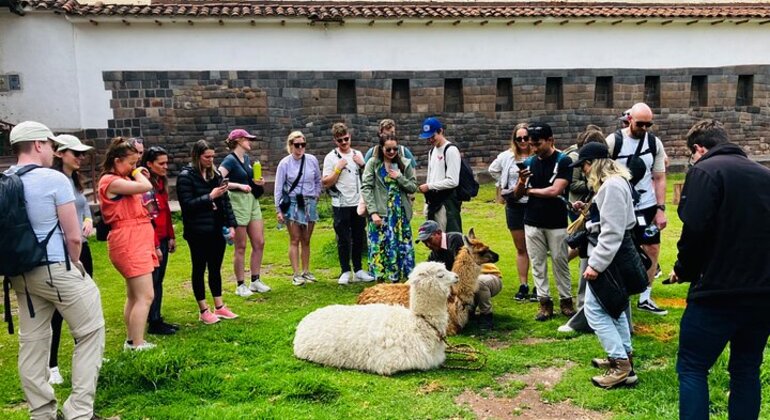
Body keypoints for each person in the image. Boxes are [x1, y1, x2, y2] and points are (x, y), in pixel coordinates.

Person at [669, 120, 770, 419]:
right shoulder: (766, 175)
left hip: (716, 292)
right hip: (763, 293)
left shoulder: (705, 171)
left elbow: (694, 232)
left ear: (699, 149)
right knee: (746, 368)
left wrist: (683, 270)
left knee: (692, 366)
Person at [5, 121, 105, 419]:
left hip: (20, 272)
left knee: (32, 343)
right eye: (49, 144)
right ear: (37, 145)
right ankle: (78, 411)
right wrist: (75, 265)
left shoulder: (5, 178)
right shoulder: (53, 179)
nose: (52, 150)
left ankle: (41, 413)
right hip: (55, 268)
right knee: (91, 332)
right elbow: (73, 236)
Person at [570, 142, 639, 388]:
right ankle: (624, 358)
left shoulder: (611, 186)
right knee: (614, 306)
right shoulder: (614, 184)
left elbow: (612, 232)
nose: (585, 171)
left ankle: (620, 365)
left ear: (595, 163)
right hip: (612, 255)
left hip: (609, 257)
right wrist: (589, 212)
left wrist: (596, 265)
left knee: (594, 311)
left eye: (586, 165)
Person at [605, 102, 668, 315]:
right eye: (640, 124)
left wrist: (660, 208)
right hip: (621, 206)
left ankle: (645, 296)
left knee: (652, 248)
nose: (644, 128)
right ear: (629, 119)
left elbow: (659, 177)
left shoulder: (654, 143)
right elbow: (601, 172)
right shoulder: (614, 141)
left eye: (648, 124)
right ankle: (619, 293)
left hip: (647, 205)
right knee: (618, 249)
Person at [98, 137, 158, 350]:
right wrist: (137, 173)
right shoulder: (111, 181)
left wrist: (133, 173)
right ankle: (137, 343)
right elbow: (146, 186)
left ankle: (132, 339)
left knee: (134, 295)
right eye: (131, 163)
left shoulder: (121, 180)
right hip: (128, 240)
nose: (135, 167)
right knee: (146, 295)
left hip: (136, 238)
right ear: (117, 161)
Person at [513, 122, 574, 321]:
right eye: (532, 144)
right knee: (538, 263)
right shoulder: (530, 162)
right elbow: (517, 194)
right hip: (532, 219)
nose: (535, 148)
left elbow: (555, 190)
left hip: (556, 221)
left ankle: (566, 301)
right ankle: (544, 302)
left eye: (538, 144)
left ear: (550, 141)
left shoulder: (563, 161)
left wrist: (530, 191)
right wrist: (522, 182)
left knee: (560, 261)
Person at [48, 134, 95, 385]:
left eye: (82, 154)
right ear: (59, 153)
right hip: (61, 250)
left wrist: (87, 220)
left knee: (83, 302)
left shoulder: (74, 180)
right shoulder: (53, 180)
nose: (80, 157)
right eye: (75, 153)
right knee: (58, 308)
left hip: (83, 247)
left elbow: (83, 205)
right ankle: (52, 364)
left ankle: (85, 352)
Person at [177, 140, 239, 324]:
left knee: (215, 268)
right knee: (199, 268)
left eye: (212, 156)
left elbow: (225, 202)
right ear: (197, 156)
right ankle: (203, 309)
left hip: (216, 228)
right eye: (207, 157)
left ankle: (219, 306)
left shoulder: (215, 174)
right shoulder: (186, 177)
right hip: (197, 231)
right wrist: (209, 197)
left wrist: (232, 224)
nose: (210, 160)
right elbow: (187, 206)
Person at [416, 220, 502, 330]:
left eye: (429, 240)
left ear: (438, 233)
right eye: (424, 242)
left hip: (488, 277)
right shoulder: (435, 254)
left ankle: (486, 315)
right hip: (465, 281)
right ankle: (468, 312)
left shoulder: (456, 240)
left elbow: (464, 273)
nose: (428, 244)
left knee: (478, 283)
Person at [219, 128, 270, 297]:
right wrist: (239, 185)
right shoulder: (229, 160)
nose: (250, 142)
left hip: (252, 201)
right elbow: (219, 179)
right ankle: (240, 284)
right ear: (239, 140)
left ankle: (255, 280)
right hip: (238, 202)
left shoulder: (247, 159)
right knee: (240, 246)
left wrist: (258, 182)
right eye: (248, 139)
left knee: (259, 242)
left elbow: (249, 178)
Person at [322, 122, 375, 285]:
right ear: (335, 141)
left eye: (346, 139)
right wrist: (337, 169)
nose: (344, 143)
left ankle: (358, 269)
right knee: (343, 238)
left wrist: (363, 164)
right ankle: (345, 270)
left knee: (359, 236)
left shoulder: (357, 154)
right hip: (341, 203)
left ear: (350, 137)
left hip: (357, 202)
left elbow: (369, 176)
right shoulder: (331, 157)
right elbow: (326, 182)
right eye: (340, 140)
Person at [361, 133, 417, 283]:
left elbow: (412, 187)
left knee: (400, 246)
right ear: (381, 148)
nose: (392, 152)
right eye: (388, 149)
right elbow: (366, 188)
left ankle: (399, 280)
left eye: (395, 149)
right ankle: (379, 281)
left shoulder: (405, 163)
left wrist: (399, 177)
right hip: (380, 212)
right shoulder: (373, 163)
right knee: (379, 246)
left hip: (399, 215)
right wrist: (373, 213)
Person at [488, 122, 533, 302]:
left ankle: (539, 286)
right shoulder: (507, 157)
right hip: (514, 204)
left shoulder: (537, 155)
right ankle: (523, 284)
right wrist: (502, 184)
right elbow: (492, 169)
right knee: (521, 248)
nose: (522, 141)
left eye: (526, 138)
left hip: (533, 203)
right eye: (519, 138)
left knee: (536, 248)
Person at [275, 131, 322, 286]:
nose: (300, 148)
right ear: (290, 145)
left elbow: (317, 180)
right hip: (294, 202)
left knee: (306, 239)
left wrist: (315, 195)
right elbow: (278, 187)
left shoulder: (312, 160)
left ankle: (306, 270)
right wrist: (278, 209)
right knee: (295, 238)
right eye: (297, 145)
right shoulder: (285, 163)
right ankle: (296, 274)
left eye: (303, 144)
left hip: (309, 201)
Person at [140, 146, 178, 335]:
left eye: (166, 163)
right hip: (152, 238)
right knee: (153, 280)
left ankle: (156, 316)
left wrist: (171, 236)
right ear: (149, 164)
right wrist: (155, 245)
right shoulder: (145, 185)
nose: (165, 167)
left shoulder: (161, 183)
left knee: (159, 279)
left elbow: (166, 212)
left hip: (163, 235)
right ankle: (153, 320)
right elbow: (149, 217)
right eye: (161, 163)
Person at [418, 117, 462, 233]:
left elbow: (453, 181)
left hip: (446, 201)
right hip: (433, 200)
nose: (431, 140)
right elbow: (430, 176)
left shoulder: (450, 150)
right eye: (428, 137)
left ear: (440, 131)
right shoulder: (432, 151)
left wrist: (430, 186)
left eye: (433, 136)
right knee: (433, 238)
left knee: (447, 237)